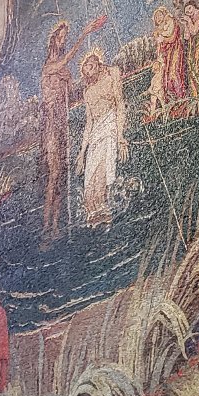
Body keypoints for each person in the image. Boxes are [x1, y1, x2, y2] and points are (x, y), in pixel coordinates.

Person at [39, 15, 107, 242]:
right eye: (60, 38)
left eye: (64, 38)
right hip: (51, 124)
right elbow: (66, 59)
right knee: (54, 174)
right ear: (53, 41)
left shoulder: (63, 72)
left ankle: (56, 225)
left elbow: (72, 92)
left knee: (61, 176)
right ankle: (46, 226)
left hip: (62, 123)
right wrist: (84, 34)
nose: (62, 41)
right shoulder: (49, 67)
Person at [75, 53, 128, 226]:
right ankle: (93, 214)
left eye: (90, 68)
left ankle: (103, 211)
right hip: (95, 133)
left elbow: (120, 105)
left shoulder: (112, 74)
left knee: (101, 175)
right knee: (89, 181)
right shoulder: (88, 92)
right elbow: (89, 122)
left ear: (97, 64)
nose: (88, 74)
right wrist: (82, 153)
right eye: (85, 72)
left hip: (109, 127)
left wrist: (120, 137)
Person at [152, 6, 186, 109]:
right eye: (156, 17)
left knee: (174, 74)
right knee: (166, 78)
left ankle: (181, 98)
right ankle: (173, 101)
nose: (158, 18)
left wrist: (162, 39)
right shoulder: (159, 31)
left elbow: (172, 38)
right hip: (166, 57)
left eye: (159, 15)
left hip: (175, 51)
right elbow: (160, 49)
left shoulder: (170, 22)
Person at [181, 0, 199, 115]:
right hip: (192, 45)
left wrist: (188, 22)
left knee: (197, 68)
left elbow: (195, 31)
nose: (188, 12)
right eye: (186, 11)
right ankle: (196, 96)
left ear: (194, 7)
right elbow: (187, 37)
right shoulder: (189, 19)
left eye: (190, 9)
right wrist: (185, 25)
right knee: (191, 69)